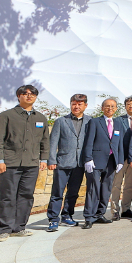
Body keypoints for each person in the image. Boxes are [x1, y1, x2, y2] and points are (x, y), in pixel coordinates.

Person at [0, 85, 49, 242]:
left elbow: (44, 140)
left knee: (26, 196)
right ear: (18, 96)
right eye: (25, 94)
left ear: (36, 97)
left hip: (31, 164)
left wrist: (43, 159)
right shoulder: (6, 116)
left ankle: (19, 227)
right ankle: (4, 230)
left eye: (32, 94)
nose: (29, 96)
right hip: (10, 163)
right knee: (6, 196)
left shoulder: (40, 118)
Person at [46, 94, 91, 231]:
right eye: (74, 104)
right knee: (57, 192)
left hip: (80, 164)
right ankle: (53, 219)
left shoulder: (90, 121)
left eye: (79, 104)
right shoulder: (61, 121)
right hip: (62, 162)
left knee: (73, 192)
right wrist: (51, 160)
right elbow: (52, 142)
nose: (76, 106)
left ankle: (67, 216)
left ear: (85, 106)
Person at [81, 98, 125, 229]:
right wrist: (88, 158)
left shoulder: (118, 124)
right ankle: (89, 217)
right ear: (102, 108)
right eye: (107, 106)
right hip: (96, 161)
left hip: (112, 161)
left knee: (106, 189)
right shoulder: (94, 122)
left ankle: (100, 214)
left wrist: (120, 160)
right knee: (93, 189)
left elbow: (120, 144)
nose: (109, 108)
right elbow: (88, 141)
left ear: (116, 109)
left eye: (112, 106)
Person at [111, 95, 132, 221]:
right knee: (116, 185)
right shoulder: (117, 120)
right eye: (128, 104)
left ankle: (126, 209)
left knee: (129, 185)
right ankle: (115, 210)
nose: (131, 106)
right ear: (125, 106)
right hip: (120, 159)